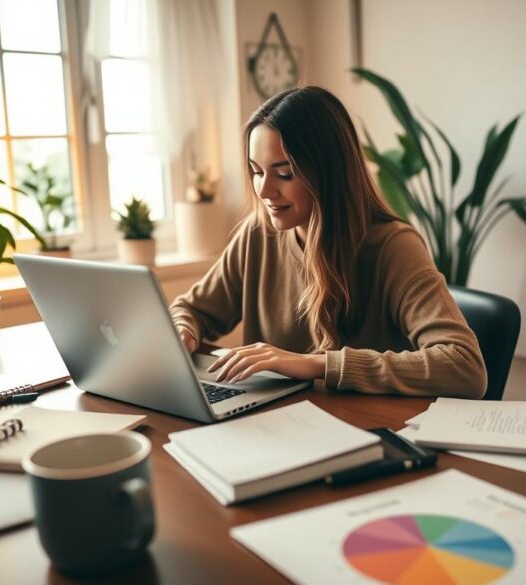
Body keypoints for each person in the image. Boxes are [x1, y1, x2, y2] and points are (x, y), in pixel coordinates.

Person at [169, 86, 487, 398]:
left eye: (285, 174)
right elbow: (191, 309)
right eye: (256, 171)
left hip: (368, 432)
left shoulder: (393, 247)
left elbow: (464, 366)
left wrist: (319, 365)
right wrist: (183, 330)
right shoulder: (257, 234)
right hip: (278, 428)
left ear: (329, 173)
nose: (264, 191)